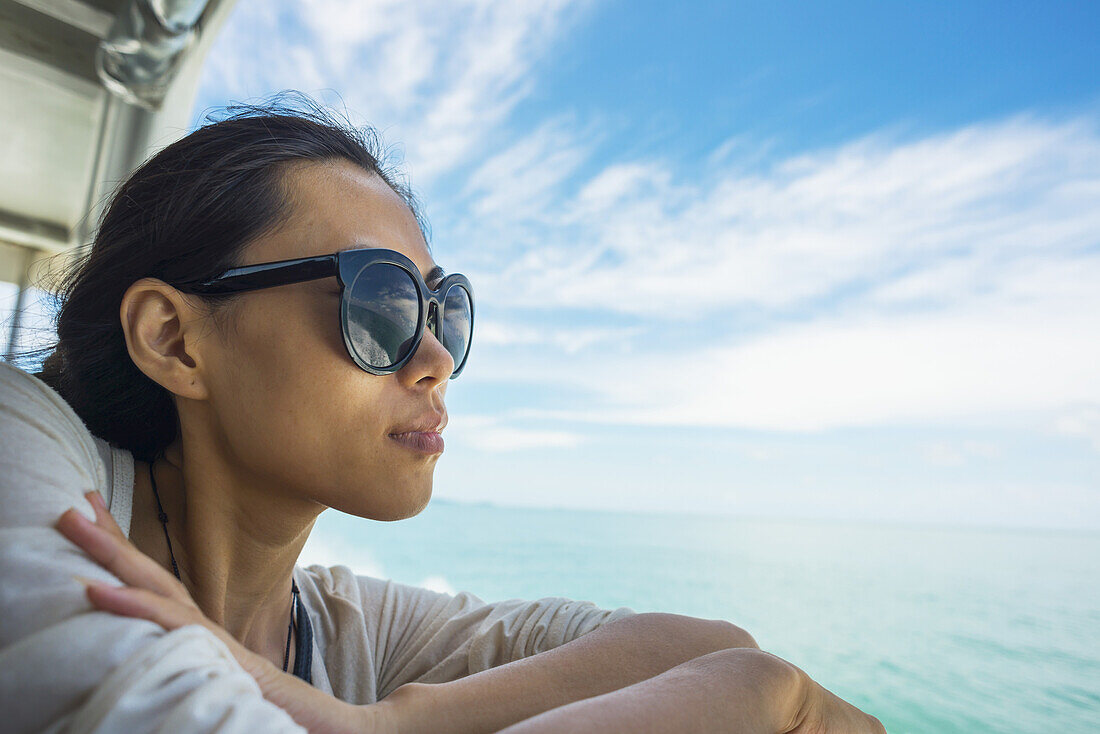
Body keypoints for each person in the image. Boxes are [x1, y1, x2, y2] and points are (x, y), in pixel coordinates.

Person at [0, 96, 885, 733]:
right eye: (379, 304)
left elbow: (705, 649)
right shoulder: (23, 446)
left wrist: (385, 725)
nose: (433, 360)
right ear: (176, 341)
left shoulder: (353, 637)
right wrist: (777, 700)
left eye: (443, 310)